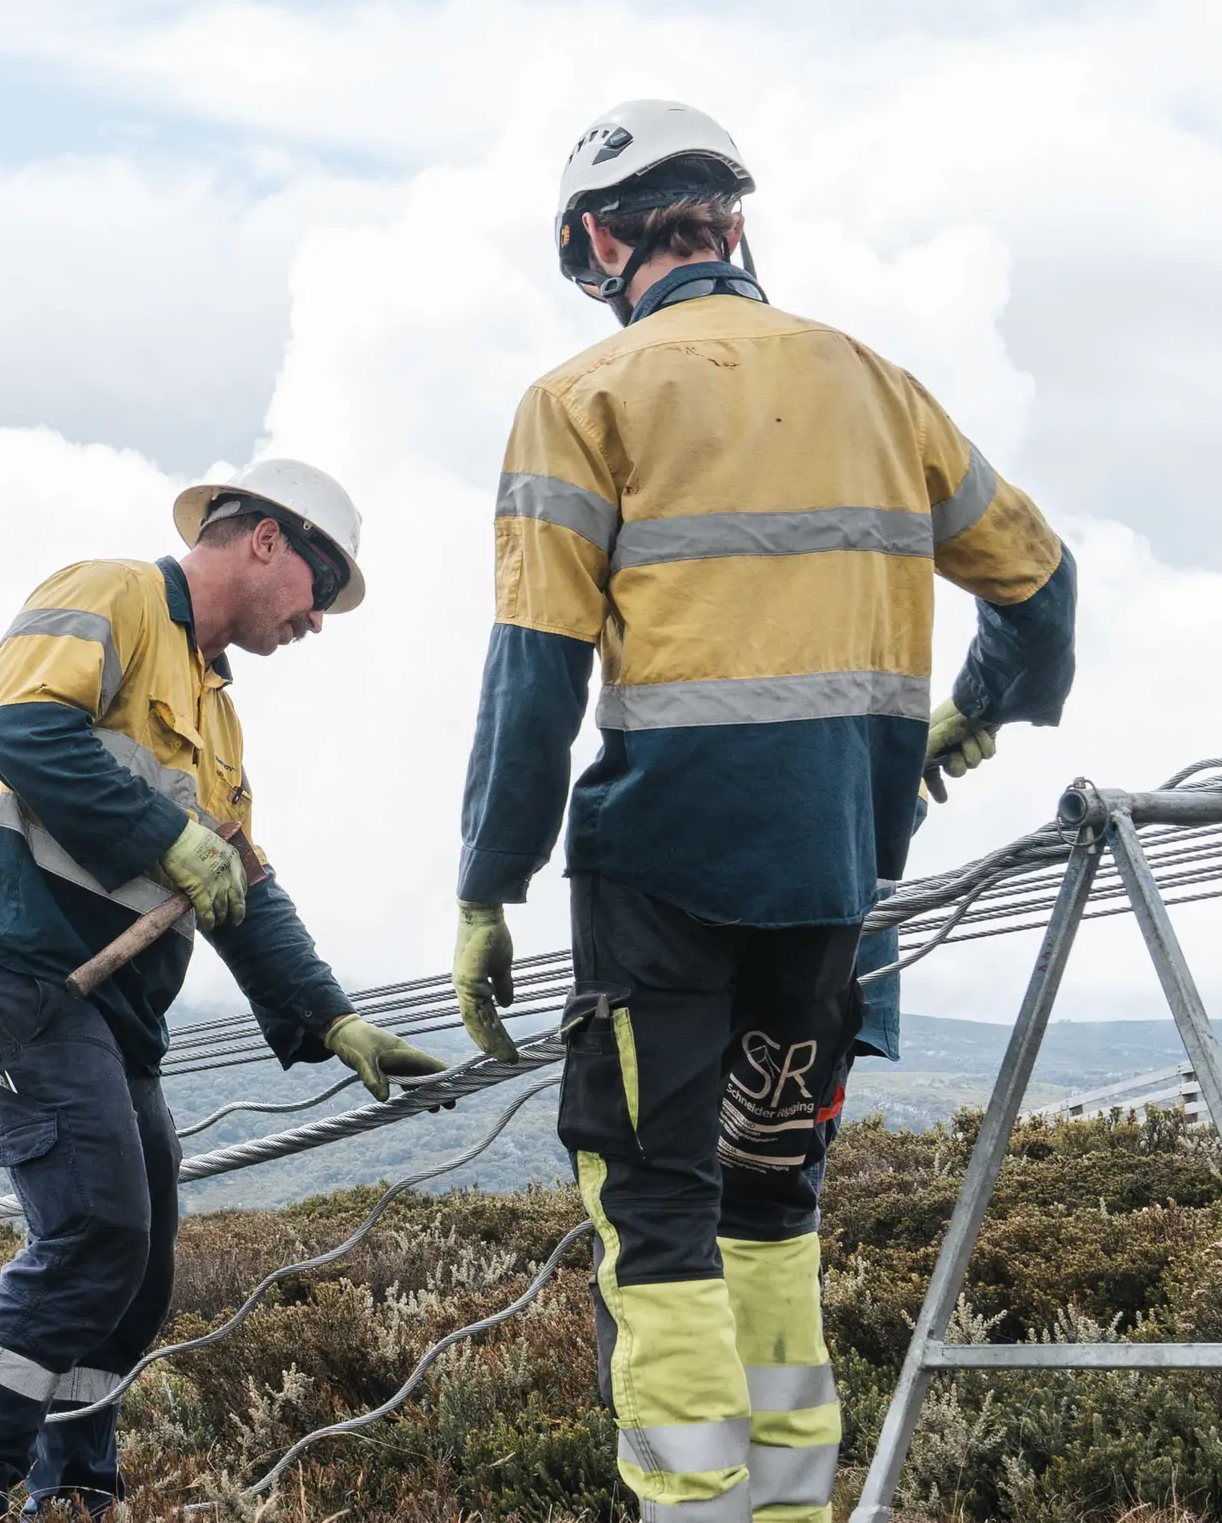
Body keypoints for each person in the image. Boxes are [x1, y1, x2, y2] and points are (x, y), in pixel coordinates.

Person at [452, 100, 1076, 1523]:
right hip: (837, 880)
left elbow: (534, 675)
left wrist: (489, 882)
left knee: (655, 1206)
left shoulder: (582, 397)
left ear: (603, 238)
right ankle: (788, 1508)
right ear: (732, 222)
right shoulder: (879, 384)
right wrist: (969, 717)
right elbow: (1042, 586)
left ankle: (693, 1513)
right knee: (774, 1198)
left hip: (661, 873)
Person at [0, 463, 442, 1521]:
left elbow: (243, 889)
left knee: (136, 1271)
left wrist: (333, 1017)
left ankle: (79, 1489)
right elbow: (16, 725)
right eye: (318, 582)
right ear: (266, 541)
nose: (318, 617)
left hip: (111, 1010)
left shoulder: (220, 723)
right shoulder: (112, 594)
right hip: (19, 962)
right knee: (94, 1229)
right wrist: (166, 837)